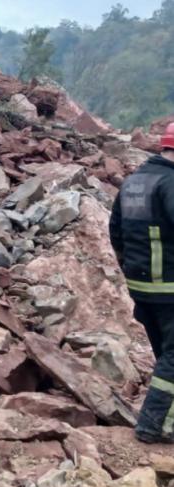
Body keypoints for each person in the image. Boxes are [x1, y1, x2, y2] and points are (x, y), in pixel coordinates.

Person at [110, 122, 174, 445]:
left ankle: (166, 422)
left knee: (166, 355)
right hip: (169, 288)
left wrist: (130, 269)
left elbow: (116, 232)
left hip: (141, 288)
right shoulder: (171, 183)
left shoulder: (133, 182)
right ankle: (149, 426)